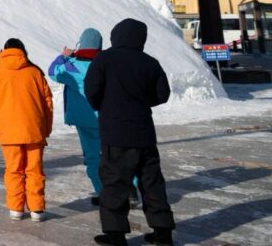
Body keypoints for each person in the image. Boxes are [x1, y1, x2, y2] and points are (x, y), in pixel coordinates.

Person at [86, 19, 176, 246]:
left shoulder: (104, 59)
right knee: (152, 184)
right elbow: (162, 94)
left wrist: (104, 105)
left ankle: (115, 235)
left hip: (116, 134)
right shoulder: (150, 62)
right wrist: (141, 102)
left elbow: (92, 89)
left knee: (115, 184)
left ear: (115, 36)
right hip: (144, 133)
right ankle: (163, 233)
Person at [0, 38, 53, 222]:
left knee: (13, 170)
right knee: (34, 170)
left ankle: (16, 208)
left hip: (8, 132)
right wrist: (46, 128)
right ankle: (37, 209)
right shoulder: (35, 72)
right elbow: (47, 103)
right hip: (34, 130)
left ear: (4, 51)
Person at [47, 28, 106, 204]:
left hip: (84, 119)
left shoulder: (72, 66)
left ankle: (103, 193)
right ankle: (130, 189)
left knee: (93, 157)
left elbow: (53, 71)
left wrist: (64, 56)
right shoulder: (105, 64)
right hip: (107, 117)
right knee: (117, 155)